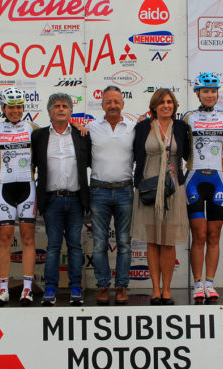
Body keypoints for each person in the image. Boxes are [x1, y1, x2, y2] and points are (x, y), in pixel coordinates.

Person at [31, 93, 91, 306]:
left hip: (75, 199)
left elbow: (92, 161)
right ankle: (50, 290)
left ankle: (76, 288)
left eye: (65, 106)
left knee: (75, 246)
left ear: (71, 111)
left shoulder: (82, 135)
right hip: (52, 200)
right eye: (56, 106)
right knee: (54, 246)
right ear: (49, 111)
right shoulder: (38, 136)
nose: (61, 109)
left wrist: (78, 126)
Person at [132, 88, 190, 305]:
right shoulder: (142, 128)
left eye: (170, 102)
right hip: (148, 190)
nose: (166, 105)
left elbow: (188, 154)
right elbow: (134, 155)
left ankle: (167, 289)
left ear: (174, 106)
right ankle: (155, 289)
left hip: (173, 190)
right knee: (153, 242)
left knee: (168, 242)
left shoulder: (182, 128)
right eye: (162, 102)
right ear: (154, 106)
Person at [0, 87, 39, 306]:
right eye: (11, 107)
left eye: (19, 107)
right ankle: (3, 290)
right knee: (5, 239)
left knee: (28, 239)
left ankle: (27, 289)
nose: (15, 111)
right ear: (3, 108)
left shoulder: (33, 129)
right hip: (3, 189)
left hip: (27, 187)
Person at [183, 73, 223, 303]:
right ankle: (198, 283)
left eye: (213, 91)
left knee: (214, 235)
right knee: (199, 234)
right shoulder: (188, 117)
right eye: (205, 91)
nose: (210, 95)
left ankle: (210, 283)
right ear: (198, 93)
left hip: (218, 180)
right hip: (194, 179)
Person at [87, 86, 136, 306]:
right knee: (99, 243)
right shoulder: (90, 128)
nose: (113, 105)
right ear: (102, 104)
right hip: (99, 191)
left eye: (117, 101)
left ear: (122, 104)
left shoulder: (134, 128)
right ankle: (103, 286)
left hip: (125, 190)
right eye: (109, 102)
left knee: (124, 242)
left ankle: (122, 285)